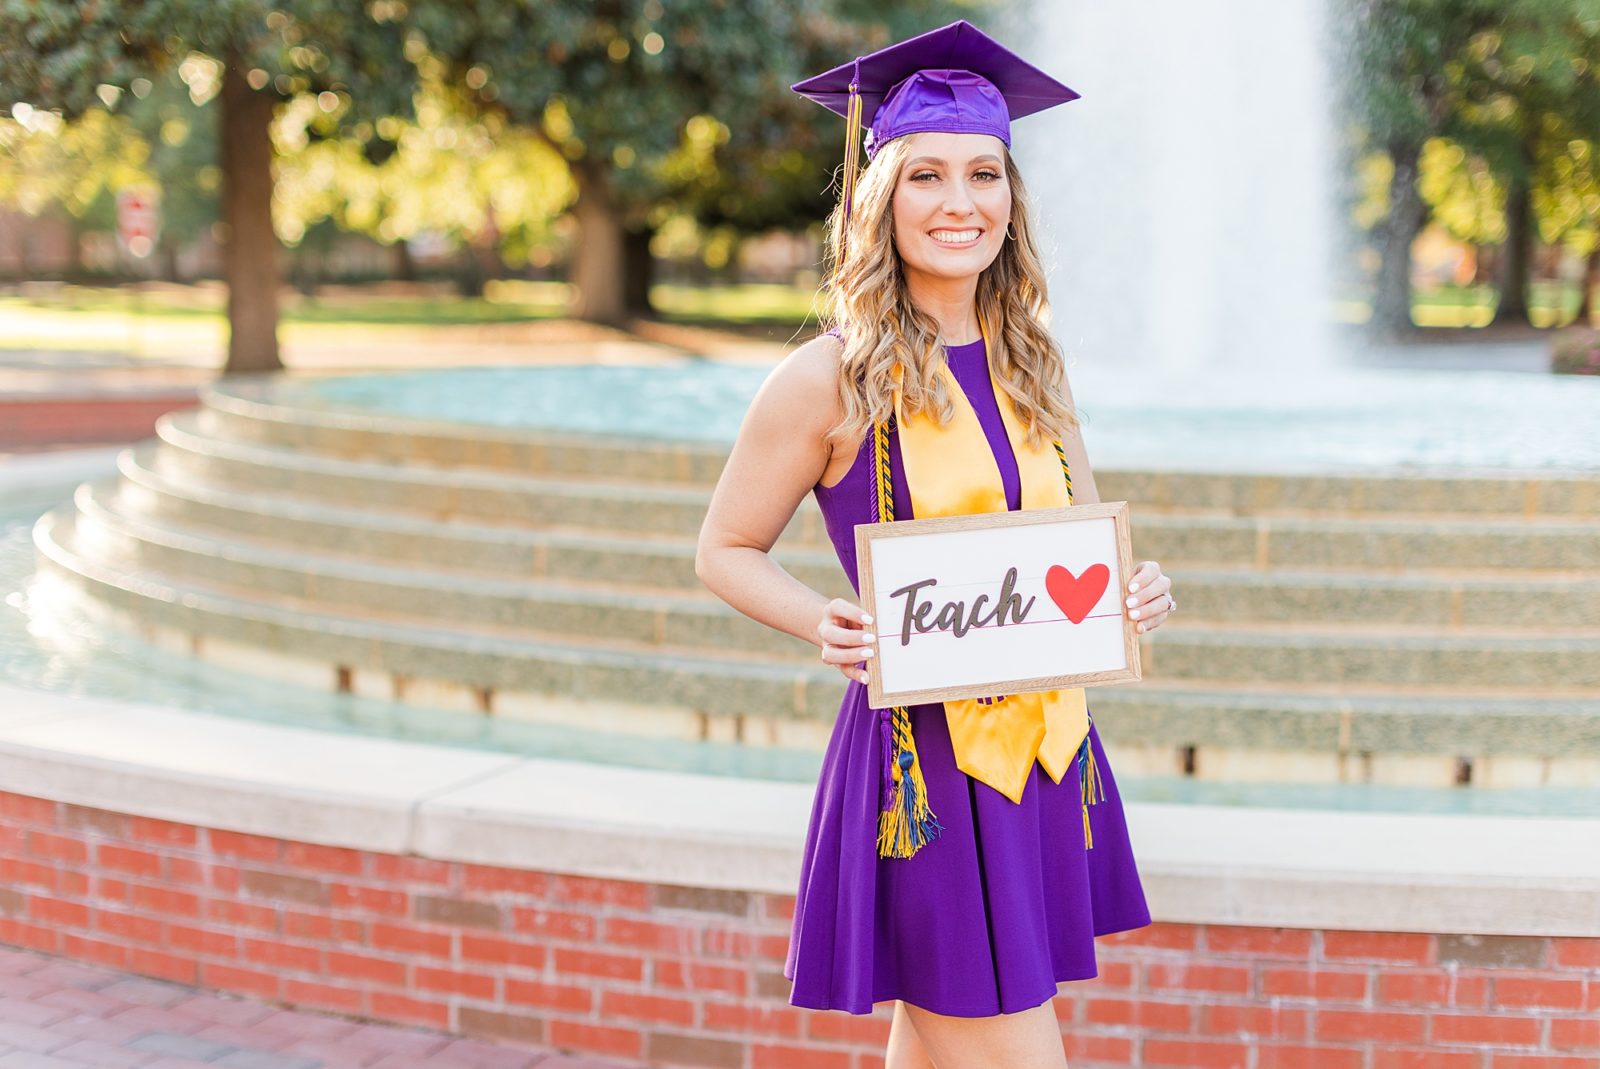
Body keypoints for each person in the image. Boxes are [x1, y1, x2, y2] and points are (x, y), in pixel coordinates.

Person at [695, 19, 1177, 1069]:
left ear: (1012, 198)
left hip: (1044, 750)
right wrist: (818, 616)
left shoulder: (1032, 365)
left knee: (940, 1037)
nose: (960, 202)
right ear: (881, 198)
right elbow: (725, 545)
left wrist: (1133, 589)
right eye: (926, 177)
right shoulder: (828, 377)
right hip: (926, 771)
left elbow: (1079, 539)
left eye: (983, 174)